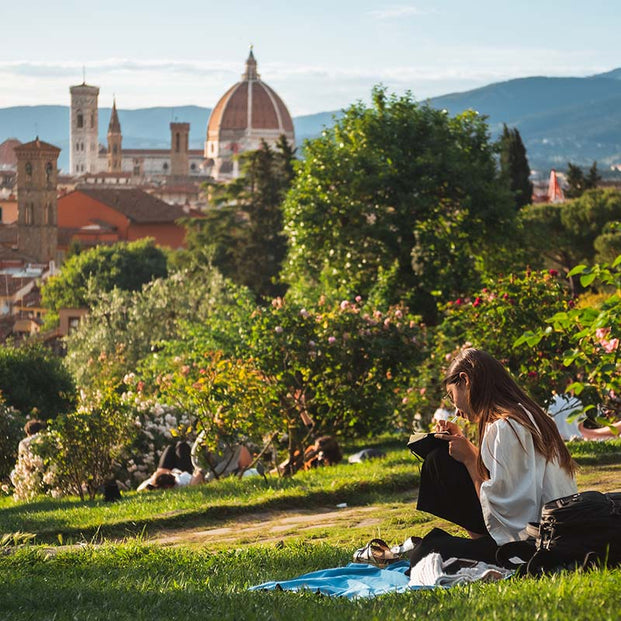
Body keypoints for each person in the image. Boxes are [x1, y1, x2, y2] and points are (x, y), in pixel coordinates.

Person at [411, 348, 577, 566]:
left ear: (465, 380)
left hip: (531, 544)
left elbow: (507, 511)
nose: (456, 411)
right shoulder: (526, 415)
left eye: (452, 397)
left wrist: (471, 459)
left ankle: (487, 548)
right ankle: (484, 545)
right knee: (441, 459)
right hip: (550, 531)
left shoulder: (505, 426)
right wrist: (465, 446)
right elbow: (511, 480)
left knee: (426, 551)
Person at [137, 440, 203, 491]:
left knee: (170, 448)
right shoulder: (182, 481)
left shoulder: (153, 482)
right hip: (182, 470)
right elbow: (198, 475)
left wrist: (154, 477)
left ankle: (162, 472)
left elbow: (139, 489)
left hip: (164, 473)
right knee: (182, 446)